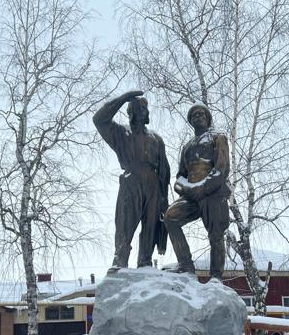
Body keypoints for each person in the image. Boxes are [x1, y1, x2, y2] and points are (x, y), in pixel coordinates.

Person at [93, 89, 171, 270]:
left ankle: (144, 261)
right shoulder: (121, 134)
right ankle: (120, 259)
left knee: (151, 224)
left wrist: (164, 197)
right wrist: (123, 98)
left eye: (144, 108)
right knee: (125, 222)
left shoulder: (156, 139)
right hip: (131, 181)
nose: (141, 111)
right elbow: (99, 120)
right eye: (137, 108)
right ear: (130, 113)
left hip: (153, 185)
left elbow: (164, 170)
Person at [163, 103, 231, 279]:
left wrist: (203, 187)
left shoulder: (218, 138)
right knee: (170, 217)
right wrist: (186, 189)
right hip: (192, 196)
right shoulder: (187, 147)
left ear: (208, 119)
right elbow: (180, 176)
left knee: (216, 234)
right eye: (193, 115)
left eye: (201, 114)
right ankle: (185, 264)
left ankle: (216, 277)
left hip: (213, 193)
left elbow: (221, 168)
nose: (197, 116)